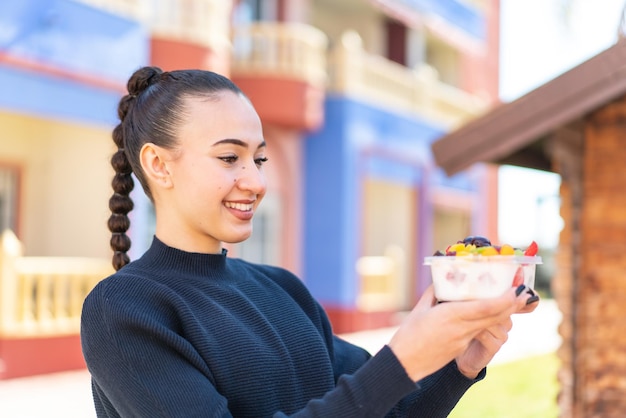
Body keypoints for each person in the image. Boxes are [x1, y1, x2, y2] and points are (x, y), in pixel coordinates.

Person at [80, 66, 539, 418]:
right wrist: (402, 360)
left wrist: (459, 360)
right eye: (229, 157)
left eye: (258, 159)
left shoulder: (283, 290)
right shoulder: (124, 309)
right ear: (159, 165)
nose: (255, 180)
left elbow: (384, 408)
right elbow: (377, 386)